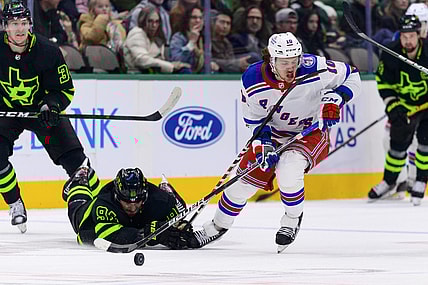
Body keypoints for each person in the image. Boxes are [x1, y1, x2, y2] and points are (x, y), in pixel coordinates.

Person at [196, 32, 361, 252]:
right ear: (271, 60)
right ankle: (217, 226)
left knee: (289, 169)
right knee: (240, 184)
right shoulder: (252, 79)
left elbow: (353, 76)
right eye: (284, 62)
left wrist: (336, 98)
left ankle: (292, 219)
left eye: (294, 61)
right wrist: (264, 144)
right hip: (272, 133)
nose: (291, 68)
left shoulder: (315, 67)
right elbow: (254, 119)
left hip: (309, 132)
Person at [0, 1, 101, 233]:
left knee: (78, 164)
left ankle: (103, 203)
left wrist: (51, 105)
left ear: (30, 25)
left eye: (23, 23)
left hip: (41, 113)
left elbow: (65, 90)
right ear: (5, 26)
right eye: (14, 24)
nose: (19, 29)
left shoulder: (48, 51)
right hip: (6, 113)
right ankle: (15, 202)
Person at [63, 163, 203, 249]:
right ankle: (81, 179)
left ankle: (166, 189)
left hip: (141, 218)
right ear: (117, 197)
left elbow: (179, 219)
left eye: (137, 201)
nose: (132, 207)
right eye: (127, 202)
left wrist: (181, 229)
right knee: (78, 211)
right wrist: (149, 234)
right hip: (90, 223)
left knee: (180, 207)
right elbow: (108, 236)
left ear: (145, 195)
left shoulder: (160, 200)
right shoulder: (104, 204)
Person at [368, 14, 428, 206]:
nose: (407, 40)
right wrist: (393, 107)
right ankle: (389, 181)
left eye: (411, 35)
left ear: (419, 35)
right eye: (404, 36)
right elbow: (383, 82)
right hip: (405, 107)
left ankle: (420, 181)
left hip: (427, 106)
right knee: (397, 146)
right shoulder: (391, 53)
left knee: (425, 145)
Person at [123, 6, 190, 73]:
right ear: (142, 21)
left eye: (157, 22)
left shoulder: (157, 38)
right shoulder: (137, 33)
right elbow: (141, 59)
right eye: (150, 21)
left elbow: (160, 60)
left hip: (153, 74)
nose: (154, 25)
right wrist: (170, 66)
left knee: (184, 70)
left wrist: (175, 65)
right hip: (136, 76)